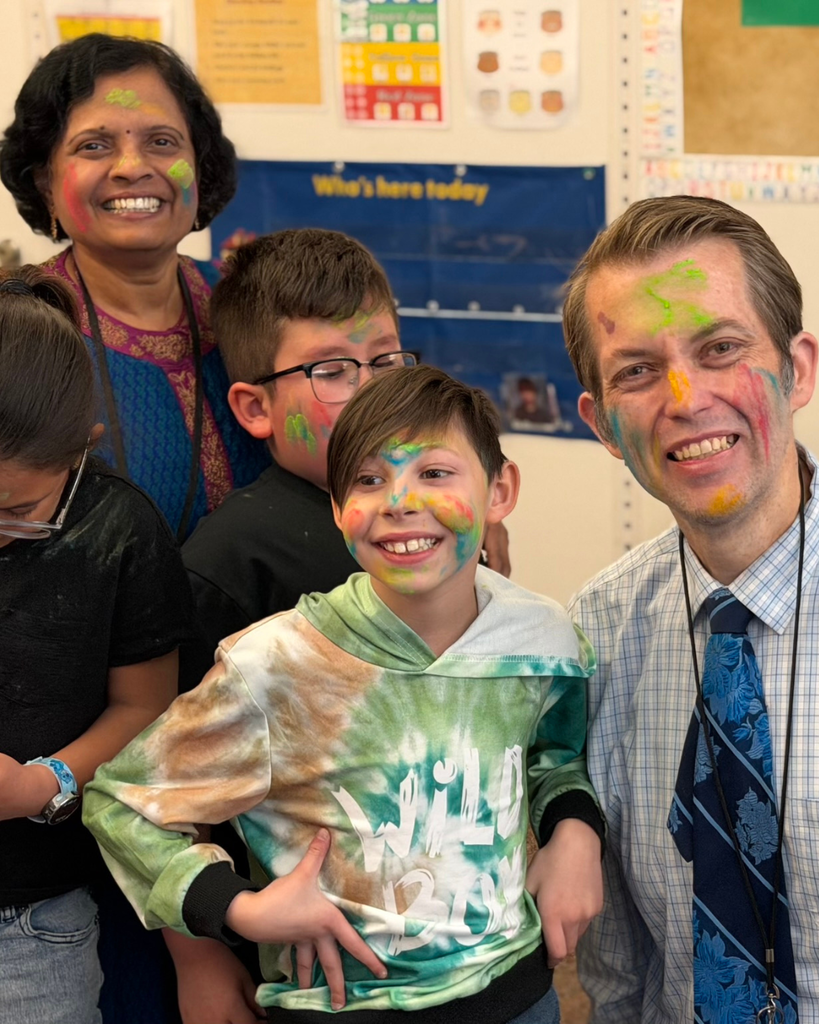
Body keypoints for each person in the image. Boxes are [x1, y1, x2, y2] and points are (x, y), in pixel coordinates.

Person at [85, 364, 605, 1024]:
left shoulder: (544, 637)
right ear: (336, 508)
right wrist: (239, 908)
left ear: (499, 490)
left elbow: (553, 758)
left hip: (517, 999)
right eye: (367, 480)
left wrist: (574, 835)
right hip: (335, 1007)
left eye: (434, 474)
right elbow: (123, 805)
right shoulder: (275, 664)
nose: (398, 501)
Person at [562, 195, 819, 1021]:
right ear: (602, 425)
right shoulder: (596, 633)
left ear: (799, 368)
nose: (683, 395)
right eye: (636, 370)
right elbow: (618, 971)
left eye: (719, 348)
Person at [180, 228, 510, 691]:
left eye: (386, 360)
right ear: (256, 409)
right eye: (332, 372)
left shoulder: (443, 509)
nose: (372, 390)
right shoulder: (228, 563)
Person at [0, 266, 191, 1024]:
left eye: (18, 511)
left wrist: (42, 784)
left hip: (34, 916)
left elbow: (147, 706)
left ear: (86, 446)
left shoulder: (120, 531)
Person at [0, 33, 268, 542]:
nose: (133, 167)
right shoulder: (14, 332)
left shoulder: (258, 307)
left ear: (200, 165)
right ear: (44, 181)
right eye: (94, 145)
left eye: (162, 142)